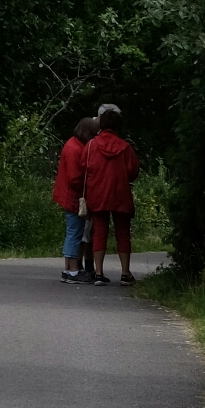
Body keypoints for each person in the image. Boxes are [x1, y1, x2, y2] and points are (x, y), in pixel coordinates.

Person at [84, 104, 141, 286]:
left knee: (99, 232)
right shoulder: (125, 148)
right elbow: (133, 171)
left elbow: (84, 167)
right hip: (120, 193)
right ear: (118, 126)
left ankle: (99, 273)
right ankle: (125, 273)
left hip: (98, 193)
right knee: (123, 233)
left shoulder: (91, 146)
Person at [52, 116, 97, 281]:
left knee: (73, 232)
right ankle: (73, 270)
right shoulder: (75, 149)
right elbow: (74, 178)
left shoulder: (73, 144)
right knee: (74, 233)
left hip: (70, 195)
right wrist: (90, 181)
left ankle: (68, 269)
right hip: (73, 197)